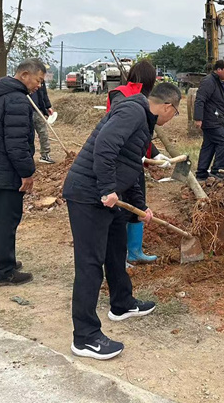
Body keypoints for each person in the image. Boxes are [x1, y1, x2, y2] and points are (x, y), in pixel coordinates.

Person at [62, 82, 182, 360]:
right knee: (90, 264)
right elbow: (104, 146)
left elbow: (130, 166)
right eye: (175, 113)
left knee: (116, 249)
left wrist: (140, 206)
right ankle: (85, 337)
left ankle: (122, 303)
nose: (172, 118)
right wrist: (107, 188)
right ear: (167, 106)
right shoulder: (133, 112)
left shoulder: (143, 120)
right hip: (88, 195)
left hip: (106, 197)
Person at [0, 58, 46, 287]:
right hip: (6, 171)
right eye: (38, 80)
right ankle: (3, 271)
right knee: (6, 221)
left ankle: (2, 260)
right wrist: (27, 172)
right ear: (24, 75)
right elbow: (16, 144)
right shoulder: (16, 99)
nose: (39, 86)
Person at [106, 60, 171, 264]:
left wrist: (155, 153)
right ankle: (121, 255)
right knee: (122, 207)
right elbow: (121, 129)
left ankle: (135, 250)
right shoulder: (120, 95)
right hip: (119, 161)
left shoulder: (146, 99)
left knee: (138, 199)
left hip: (135, 159)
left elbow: (143, 133)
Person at [193, 60, 224, 181]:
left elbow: (221, 102)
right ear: (218, 70)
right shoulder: (209, 81)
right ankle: (217, 171)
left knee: (209, 145)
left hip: (217, 119)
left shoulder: (221, 83)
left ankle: (201, 173)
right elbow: (200, 100)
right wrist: (198, 118)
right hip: (211, 119)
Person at [30, 76, 55, 164]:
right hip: (27, 111)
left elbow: (44, 94)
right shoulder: (26, 79)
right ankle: (28, 157)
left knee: (43, 133)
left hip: (38, 111)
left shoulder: (41, 81)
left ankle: (45, 155)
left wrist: (48, 106)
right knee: (28, 135)